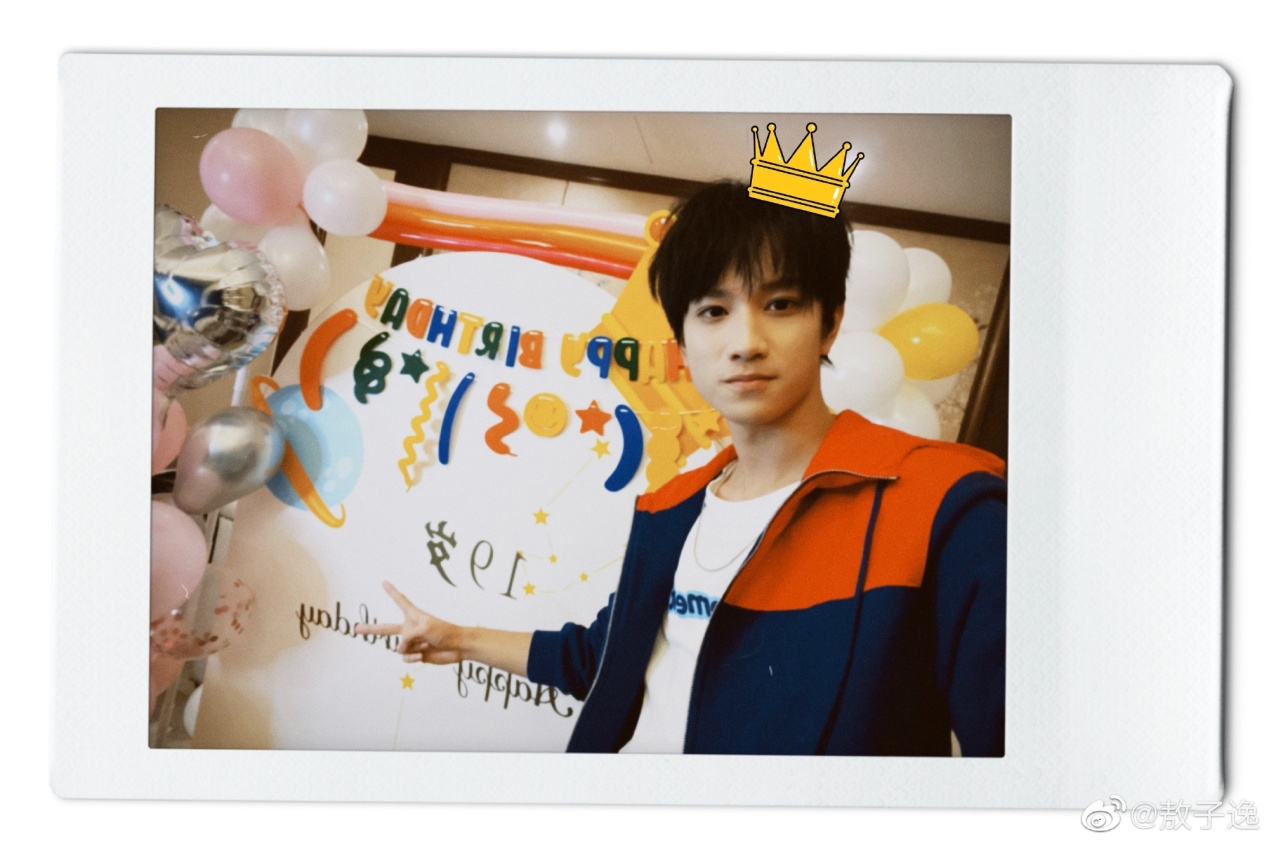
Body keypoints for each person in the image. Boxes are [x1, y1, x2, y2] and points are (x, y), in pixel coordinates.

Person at [356, 180, 1006, 756]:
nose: (745, 342)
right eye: (713, 311)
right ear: (683, 343)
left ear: (829, 324)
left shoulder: (947, 506)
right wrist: (456, 638)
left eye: (780, 304)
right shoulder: (671, 508)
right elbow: (603, 657)